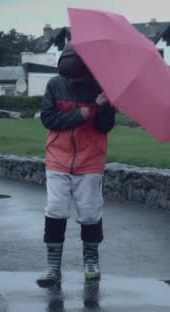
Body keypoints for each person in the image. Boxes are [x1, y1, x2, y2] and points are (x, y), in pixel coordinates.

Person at [37, 43, 116, 288]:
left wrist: (104, 107)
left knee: (90, 212)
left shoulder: (101, 87)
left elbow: (105, 127)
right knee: (55, 209)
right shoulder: (54, 84)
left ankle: (91, 261)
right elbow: (48, 119)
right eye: (67, 76)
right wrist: (78, 116)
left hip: (90, 160)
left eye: (77, 77)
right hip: (57, 158)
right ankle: (53, 267)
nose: (72, 81)